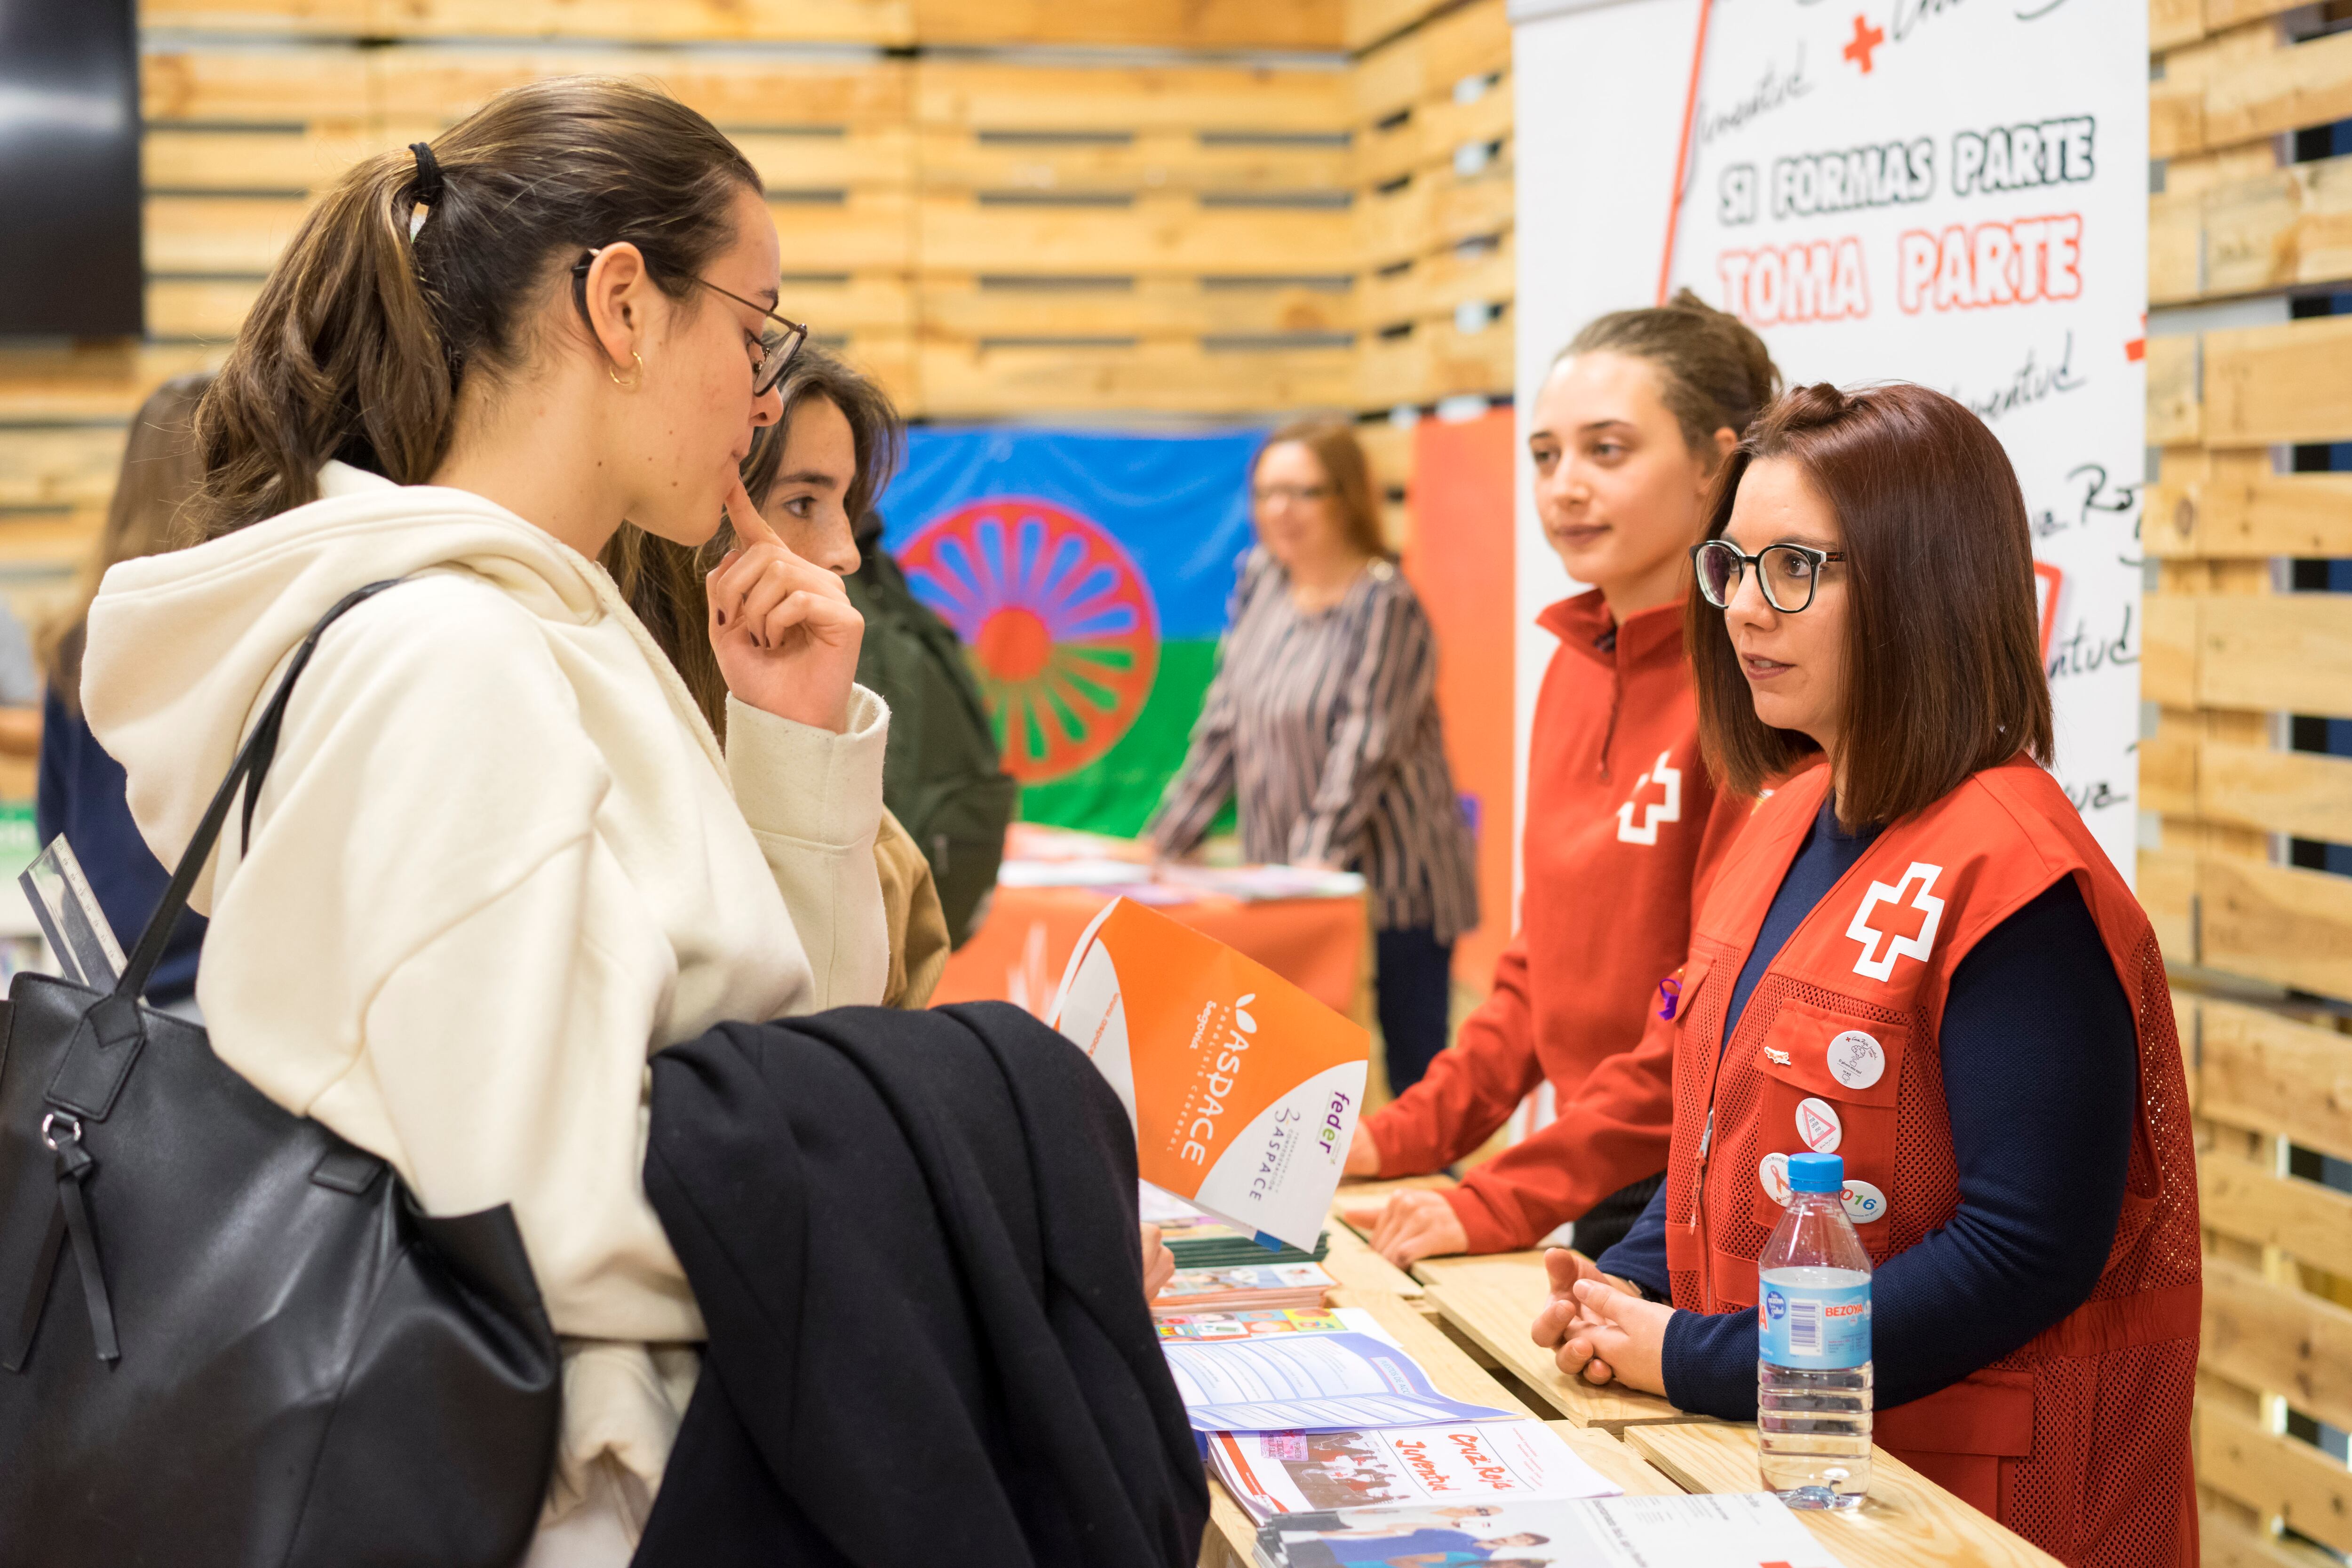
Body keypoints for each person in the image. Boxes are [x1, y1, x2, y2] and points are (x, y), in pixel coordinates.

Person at [80, 80, 889, 1564]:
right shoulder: (454, 658)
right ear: (626, 304)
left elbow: (779, 1062)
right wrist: (951, 1210)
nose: (766, 393)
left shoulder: (535, 632)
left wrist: (790, 745)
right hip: (563, 1501)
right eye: (754, 328)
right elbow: (538, 1214)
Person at [1534, 384, 2198, 1567]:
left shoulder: (2019, 872)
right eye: (1732, 563)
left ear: (1920, 583)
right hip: (1770, 1475)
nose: (1744, 607)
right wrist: (1619, 1290)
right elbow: (1719, 1129)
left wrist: (1695, 1354)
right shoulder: (1781, 812)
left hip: (1958, 1505)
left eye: (1794, 566)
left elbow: (2023, 1248)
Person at [1344, 294, 1779, 1266]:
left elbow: (1709, 1012)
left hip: (1711, 1187)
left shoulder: (1758, 688)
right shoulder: (1575, 662)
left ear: (1716, 463)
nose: (1565, 487)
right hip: (1603, 1169)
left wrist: (1498, 1196)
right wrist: (1399, 1135)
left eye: (1608, 451)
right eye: (1545, 455)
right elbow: (1539, 970)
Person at [604, 343, 953, 1006]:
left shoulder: (878, 843)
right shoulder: (601, 767)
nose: (846, 552)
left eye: (846, 504)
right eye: (800, 502)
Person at [1147, 418, 1477, 1096]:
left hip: (1394, 887)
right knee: (1291, 1076)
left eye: (1302, 492)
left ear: (1347, 497)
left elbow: (1365, 747)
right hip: (1290, 883)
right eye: (1267, 493)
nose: (1279, 512)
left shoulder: (1386, 600)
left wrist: (1308, 872)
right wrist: (1168, 839)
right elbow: (1225, 722)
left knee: (1413, 1078)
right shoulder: (1261, 579)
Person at [34, 373, 212, 1011]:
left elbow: (54, 837)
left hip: (108, 999)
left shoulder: (77, 641)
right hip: (216, 997)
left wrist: (93, 997)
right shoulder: (238, 639)